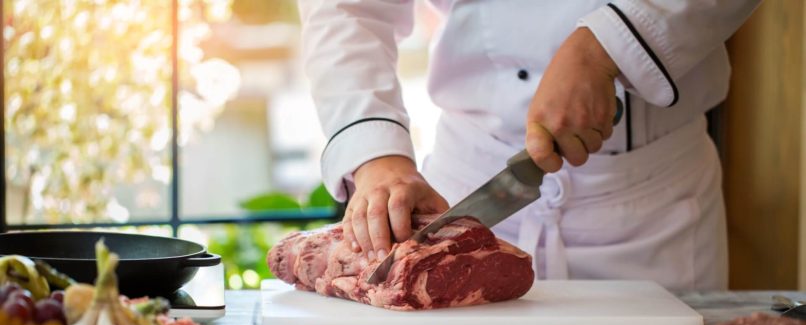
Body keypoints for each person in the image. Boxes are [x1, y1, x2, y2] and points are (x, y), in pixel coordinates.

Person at [297, 1, 760, 291]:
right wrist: (377, 155)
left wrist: (611, 46)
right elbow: (347, 9)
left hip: (651, 213)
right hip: (462, 191)